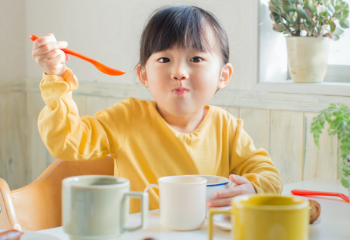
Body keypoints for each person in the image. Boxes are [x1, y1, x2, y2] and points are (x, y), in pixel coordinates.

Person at [31, 5, 282, 213]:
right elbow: (65, 141)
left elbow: (268, 174)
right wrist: (55, 77)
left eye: (196, 59)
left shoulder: (226, 127)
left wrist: (253, 188)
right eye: (164, 59)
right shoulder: (127, 118)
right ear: (143, 75)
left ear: (223, 75)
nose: (179, 72)